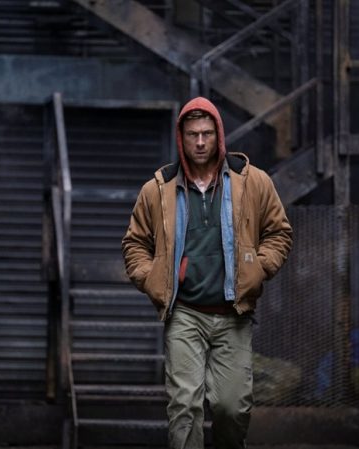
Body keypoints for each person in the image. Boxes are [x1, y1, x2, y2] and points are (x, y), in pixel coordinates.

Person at [121, 97, 293, 449]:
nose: (200, 142)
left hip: (233, 315)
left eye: (207, 134)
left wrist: (259, 268)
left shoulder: (252, 182)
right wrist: (151, 278)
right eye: (192, 135)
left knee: (231, 408)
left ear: (219, 136)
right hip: (184, 314)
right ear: (181, 138)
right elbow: (135, 244)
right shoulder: (158, 190)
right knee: (184, 407)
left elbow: (279, 233)